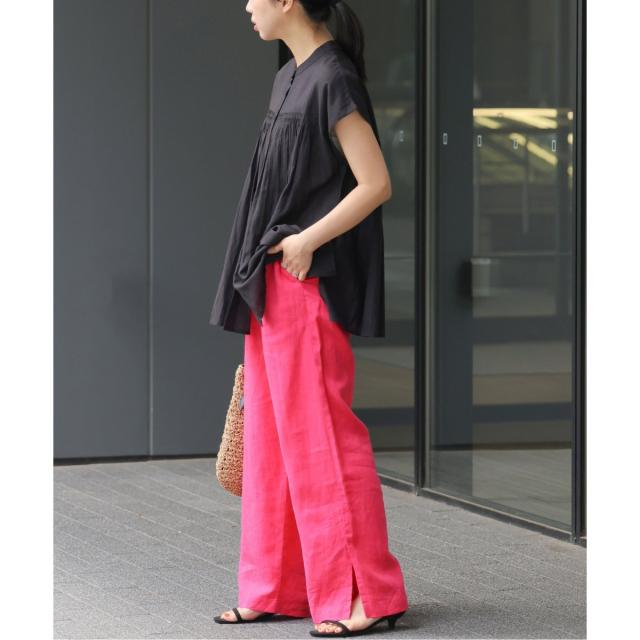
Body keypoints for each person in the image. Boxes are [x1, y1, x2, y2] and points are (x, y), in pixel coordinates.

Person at [210, 0, 409, 636]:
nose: (247, 6)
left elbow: (375, 182)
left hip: (306, 281)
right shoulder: (289, 75)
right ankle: (276, 586)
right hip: (269, 281)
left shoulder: (332, 77)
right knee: (270, 438)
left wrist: (306, 241)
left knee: (323, 436)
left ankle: (367, 593)